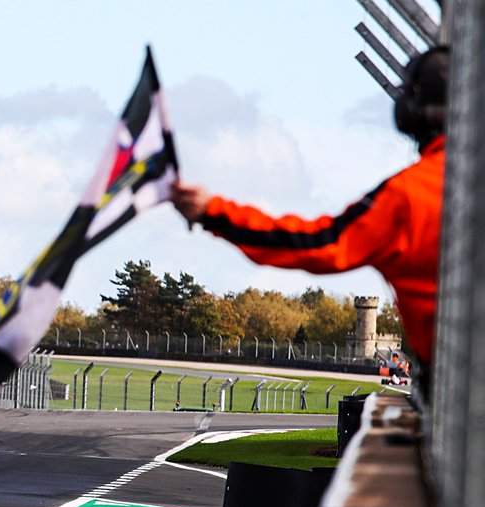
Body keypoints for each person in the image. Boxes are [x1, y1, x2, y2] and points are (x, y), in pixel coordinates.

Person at [171, 46, 448, 396]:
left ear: (410, 112)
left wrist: (214, 211)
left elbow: (320, 245)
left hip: (458, 395)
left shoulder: (410, 194)